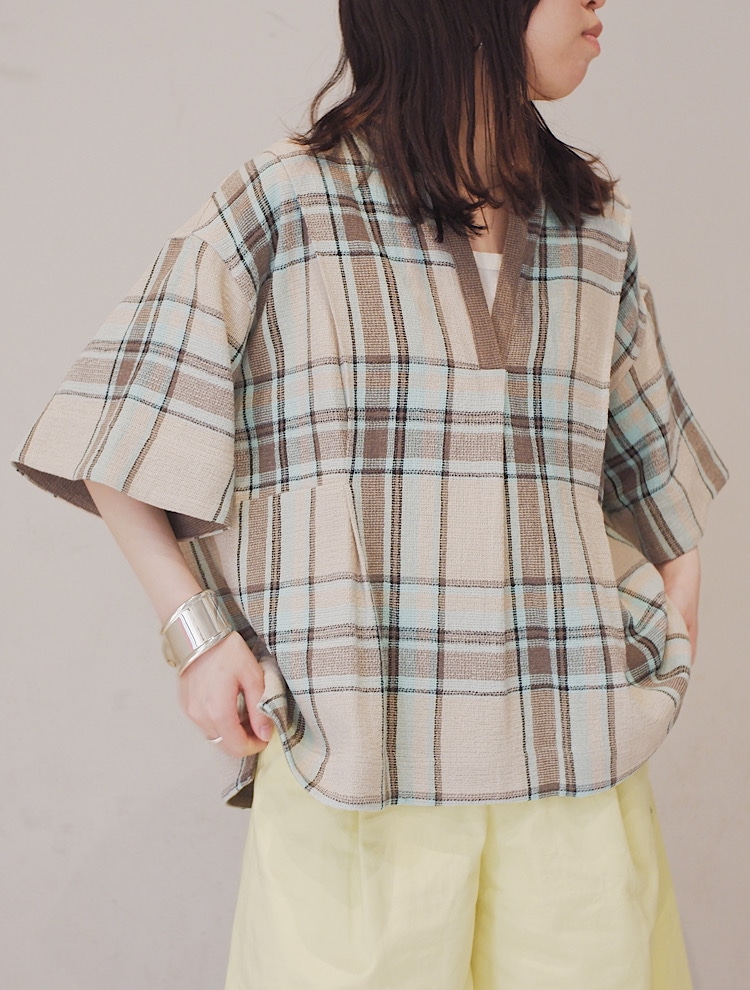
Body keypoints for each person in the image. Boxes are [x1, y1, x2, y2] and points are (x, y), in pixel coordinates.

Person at [12, 0, 730, 987]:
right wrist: (197, 636)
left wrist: (668, 634)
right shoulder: (287, 204)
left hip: (575, 784)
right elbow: (114, 424)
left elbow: (653, 473)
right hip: (356, 777)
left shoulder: (595, 227)